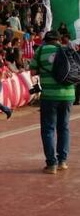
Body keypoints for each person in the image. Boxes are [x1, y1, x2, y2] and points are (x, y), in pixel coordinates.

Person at [30, 31, 73, 174]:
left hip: (49, 95)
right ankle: (62, 161)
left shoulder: (41, 50)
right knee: (64, 127)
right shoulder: (67, 49)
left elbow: (33, 71)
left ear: (45, 40)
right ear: (59, 40)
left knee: (48, 128)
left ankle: (51, 164)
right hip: (68, 94)